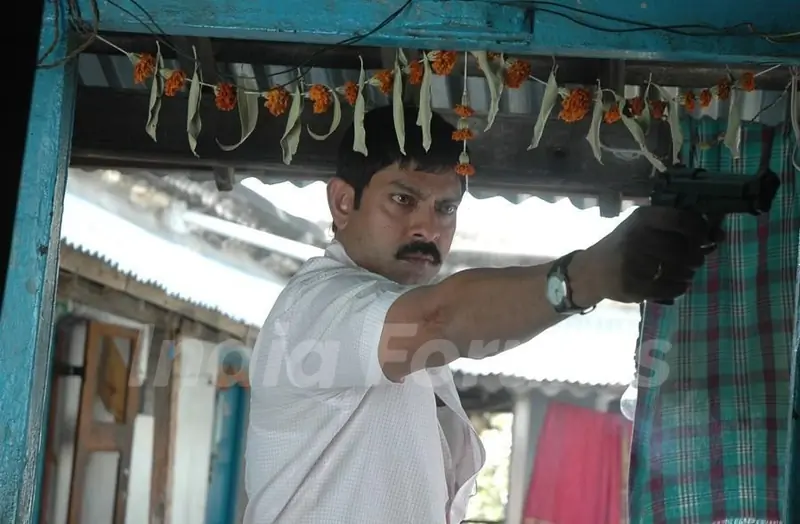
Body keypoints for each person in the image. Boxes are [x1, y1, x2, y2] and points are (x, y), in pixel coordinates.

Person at [243, 105, 718, 524]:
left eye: (445, 208)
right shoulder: (319, 305)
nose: (427, 227)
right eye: (403, 200)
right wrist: (586, 276)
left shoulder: (395, 323)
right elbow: (441, 317)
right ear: (344, 202)